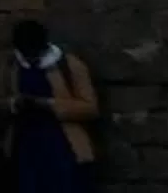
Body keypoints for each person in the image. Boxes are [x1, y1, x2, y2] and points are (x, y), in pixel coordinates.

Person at [6, 21, 100, 193]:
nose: (30, 58)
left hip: (61, 145)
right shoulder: (11, 66)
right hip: (26, 145)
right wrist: (14, 103)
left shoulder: (70, 66)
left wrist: (48, 104)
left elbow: (90, 107)